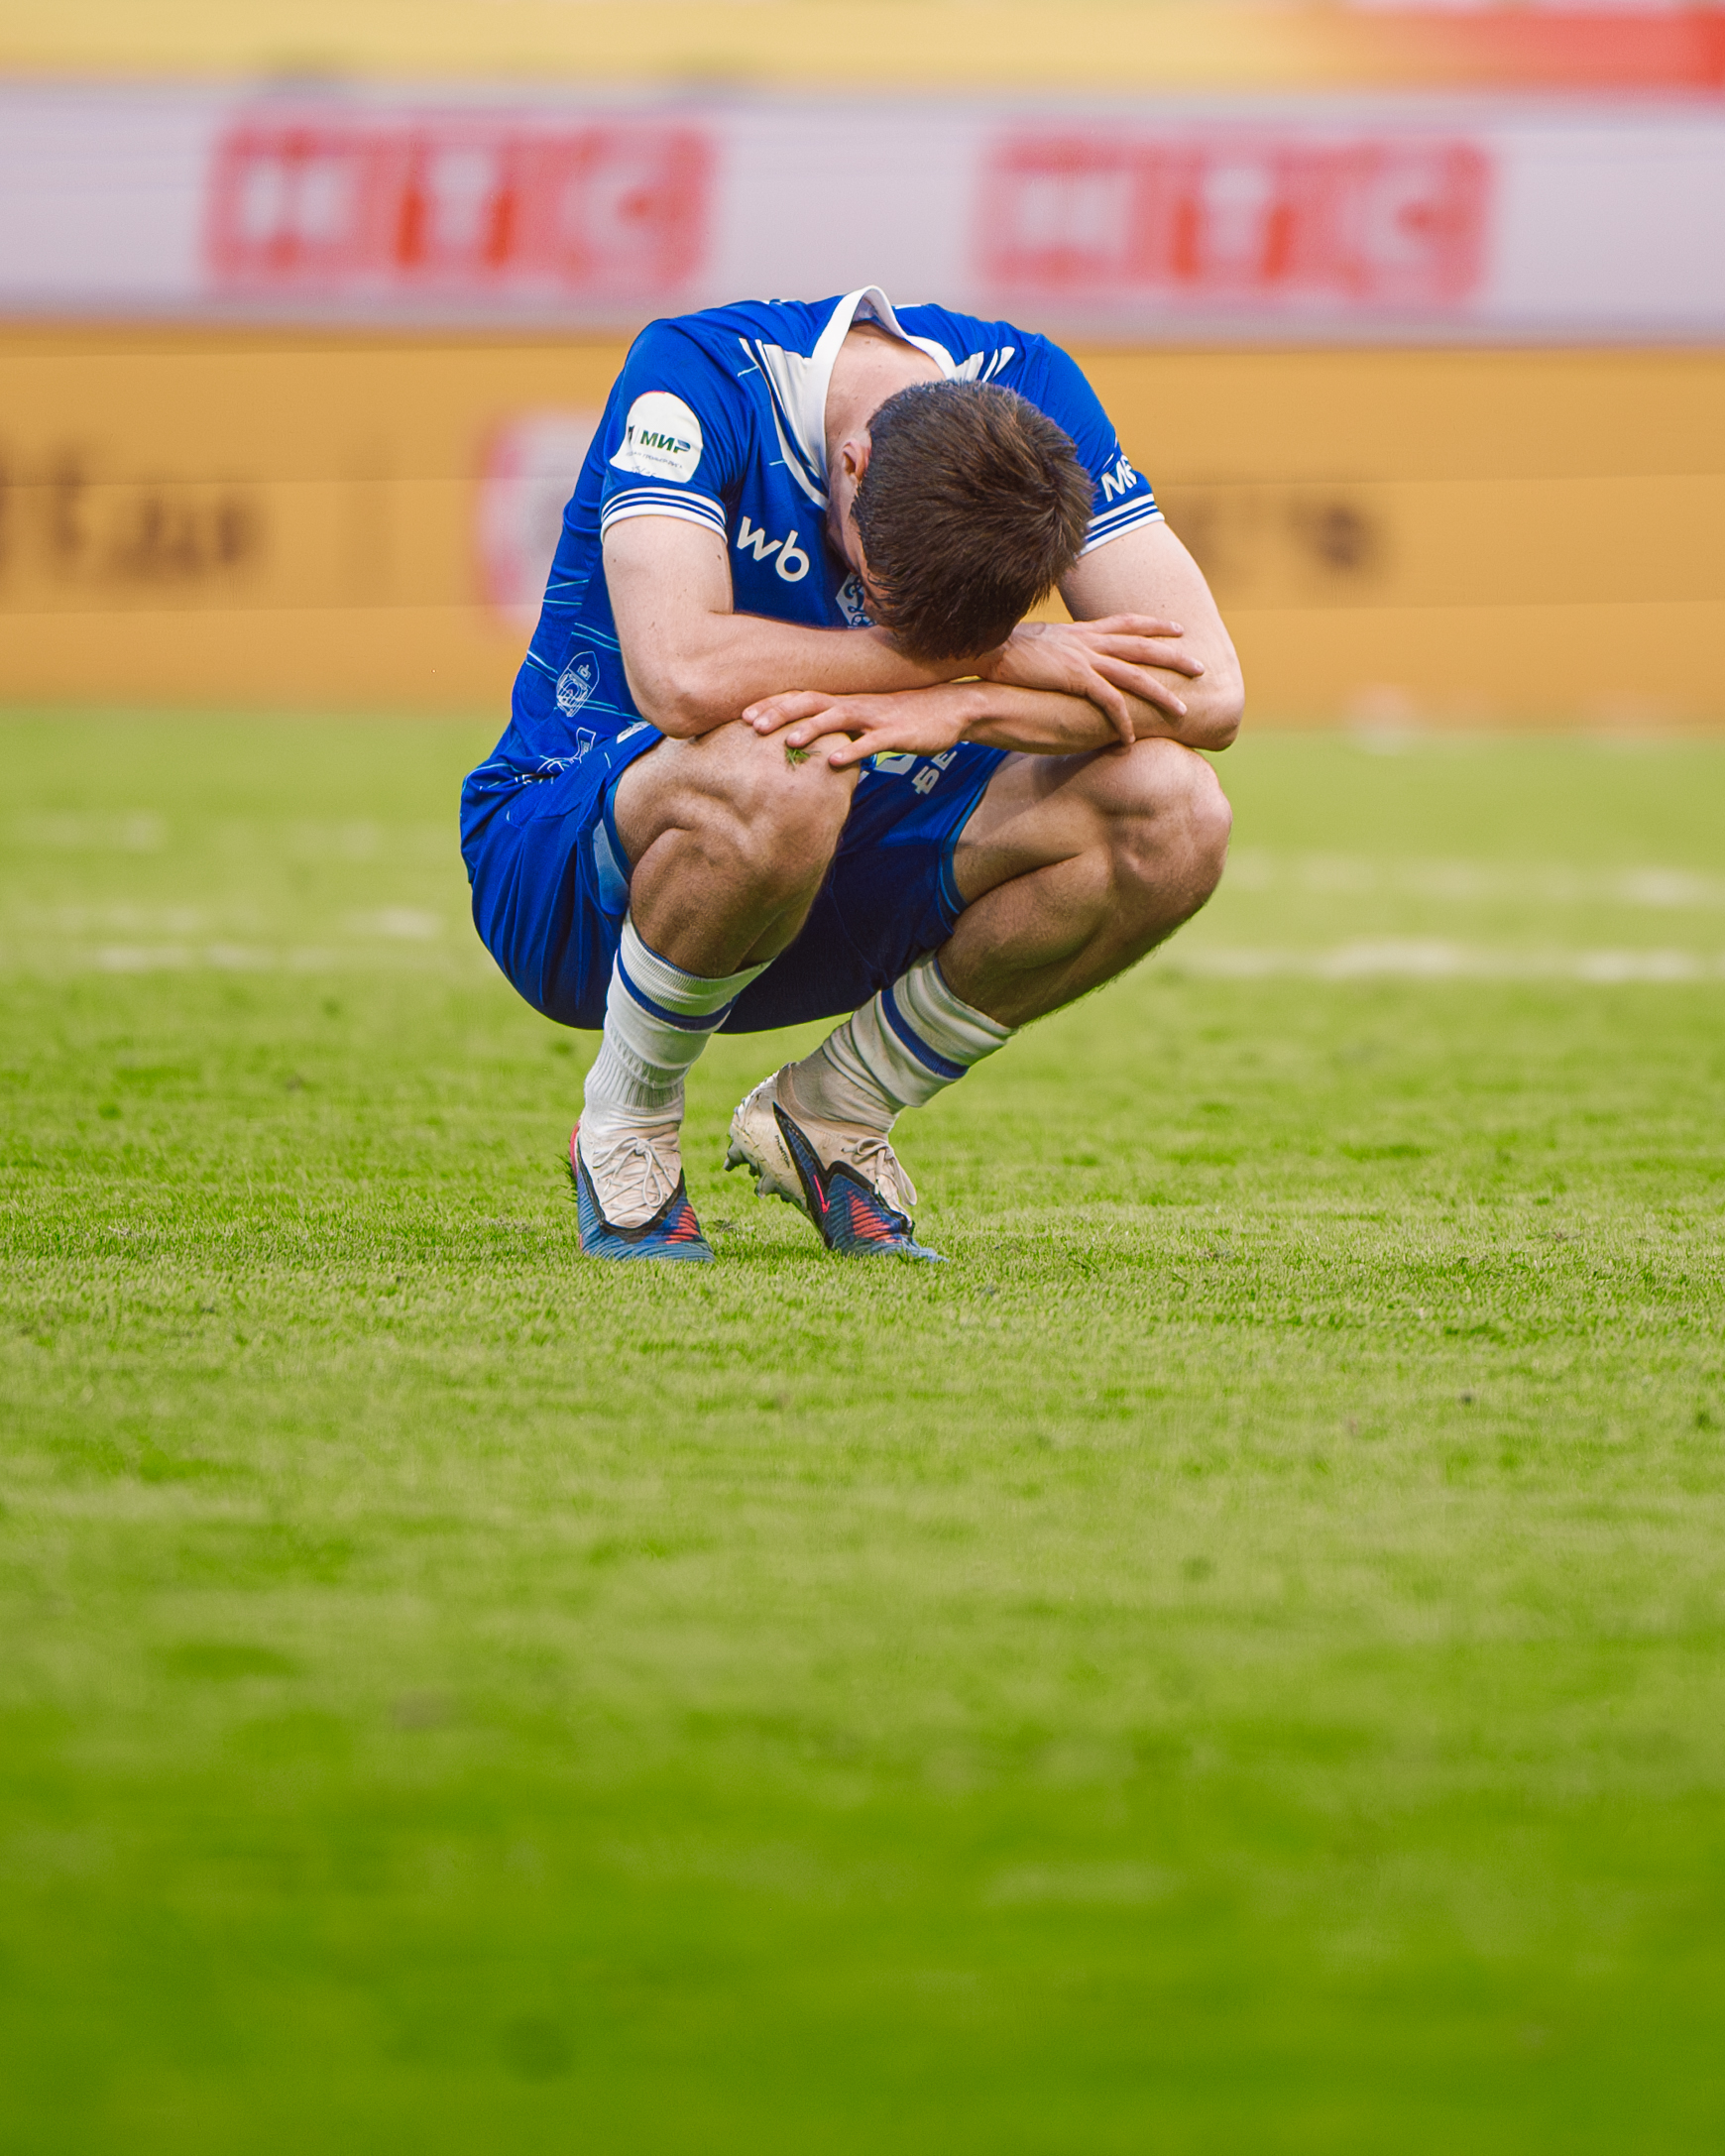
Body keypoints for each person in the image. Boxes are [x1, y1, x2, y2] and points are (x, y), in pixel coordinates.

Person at [460, 285, 1242, 1263]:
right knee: (793, 756)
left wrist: (965, 706)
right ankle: (627, 1125)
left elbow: (1211, 691)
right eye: (883, 602)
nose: (920, 648)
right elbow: (678, 674)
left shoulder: (1034, 402)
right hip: (573, 877)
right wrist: (988, 657)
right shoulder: (700, 377)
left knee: (1174, 811)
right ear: (852, 463)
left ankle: (832, 1113)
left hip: (829, 868)